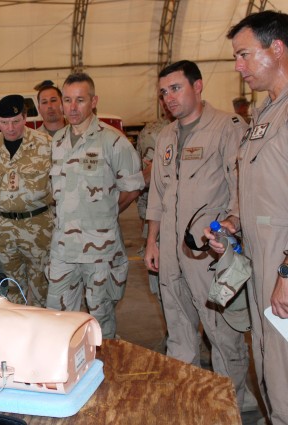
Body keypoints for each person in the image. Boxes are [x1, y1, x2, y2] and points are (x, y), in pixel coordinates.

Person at [143, 60, 251, 409]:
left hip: (209, 253)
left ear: (198, 86)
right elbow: (158, 195)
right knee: (178, 328)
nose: (169, 98)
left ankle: (230, 404)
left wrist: (231, 232)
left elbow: (241, 186)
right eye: (163, 92)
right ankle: (189, 402)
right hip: (171, 253)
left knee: (222, 333)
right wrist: (151, 242)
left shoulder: (226, 127)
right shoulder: (165, 136)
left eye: (175, 88)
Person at [216, 11, 288, 424]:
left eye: (244, 55)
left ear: (276, 48)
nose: (238, 66)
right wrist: (233, 224)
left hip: (281, 265)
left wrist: (286, 270)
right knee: (268, 363)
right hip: (262, 263)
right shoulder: (264, 114)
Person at [46, 73, 143, 340]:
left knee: (100, 321)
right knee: (59, 319)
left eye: (80, 100)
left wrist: (106, 213)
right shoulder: (57, 141)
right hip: (63, 250)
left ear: (94, 101)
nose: (72, 107)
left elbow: (133, 186)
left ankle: (105, 372)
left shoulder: (113, 141)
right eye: (67, 100)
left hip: (100, 252)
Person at [0, 94, 53, 307]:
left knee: (43, 285)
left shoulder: (46, 145)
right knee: (10, 287)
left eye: (16, 121)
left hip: (38, 227)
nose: (10, 128)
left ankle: (45, 335)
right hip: (3, 228)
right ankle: (17, 333)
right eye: (4, 122)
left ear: (25, 117)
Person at [136, 95, 173, 302]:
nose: (168, 100)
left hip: (197, 222)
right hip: (159, 222)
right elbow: (143, 182)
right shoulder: (149, 134)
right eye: (163, 96)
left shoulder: (214, 128)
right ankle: (171, 333)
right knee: (163, 289)